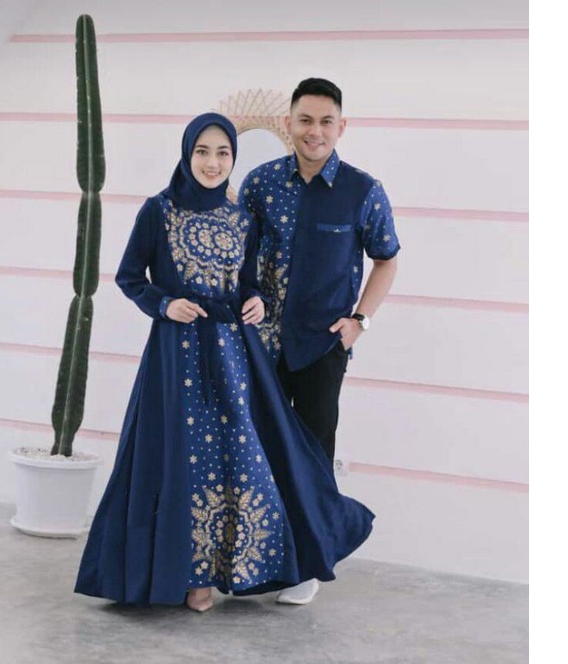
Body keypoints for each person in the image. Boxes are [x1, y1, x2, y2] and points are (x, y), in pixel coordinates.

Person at [74, 113, 375, 612]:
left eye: (223, 153)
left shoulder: (241, 220)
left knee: (236, 457)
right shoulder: (158, 210)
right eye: (203, 152)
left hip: (233, 353)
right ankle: (185, 577)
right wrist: (164, 304)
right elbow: (130, 277)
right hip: (176, 353)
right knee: (182, 456)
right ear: (187, 153)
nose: (212, 163)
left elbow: (246, 281)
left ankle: (220, 572)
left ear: (233, 159)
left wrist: (254, 299)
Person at [239, 78, 400, 604]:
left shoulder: (363, 191)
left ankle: (308, 564)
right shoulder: (261, 184)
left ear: (341, 126)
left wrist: (359, 322)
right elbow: (241, 258)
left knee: (312, 453)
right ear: (289, 123)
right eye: (305, 120)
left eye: (326, 121)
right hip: (260, 344)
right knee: (256, 448)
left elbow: (387, 260)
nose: (315, 131)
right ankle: (255, 556)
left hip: (322, 348)